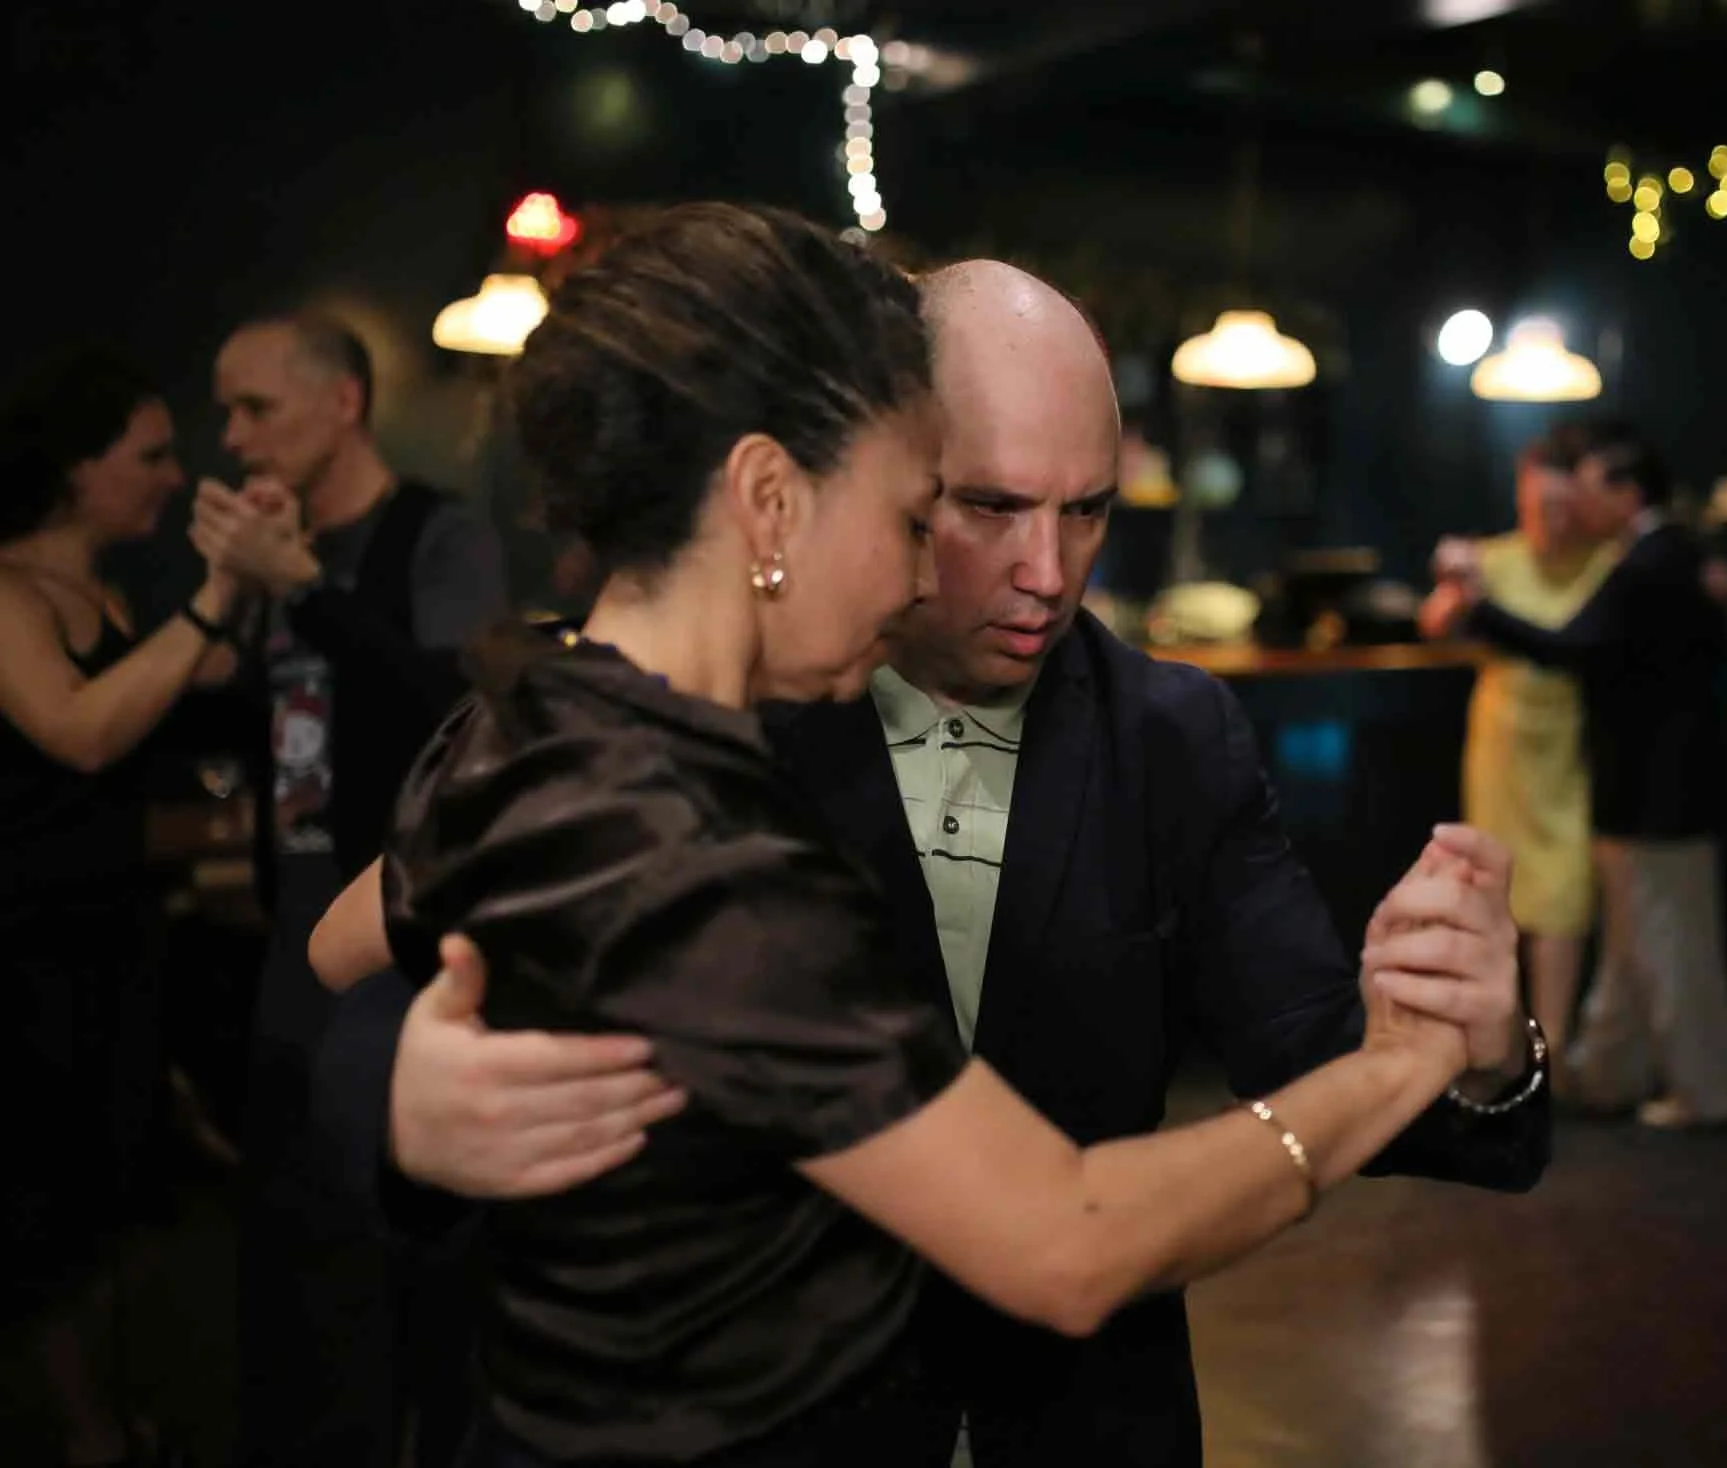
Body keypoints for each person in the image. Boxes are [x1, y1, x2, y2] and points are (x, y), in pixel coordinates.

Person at [312, 253, 1549, 1468]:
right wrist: (403, 1104)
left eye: (1089, 511)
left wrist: (1470, 1048)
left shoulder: (1170, 732)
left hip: (1071, 1422)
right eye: (971, 511)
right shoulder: (678, 734)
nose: (1048, 575)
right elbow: (346, 967)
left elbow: (1309, 1051)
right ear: (802, 492)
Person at [190, 312, 509, 1467]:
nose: (232, 438)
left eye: (255, 408)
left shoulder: (443, 535)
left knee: (408, 1274)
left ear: (344, 403)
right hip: (292, 934)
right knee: (294, 1256)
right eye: (225, 410)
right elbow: (250, 715)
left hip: (408, 945)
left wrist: (308, 584)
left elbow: (464, 716)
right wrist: (231, 591)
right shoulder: (281, 561)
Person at [0, 346, 238, 1467]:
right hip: (30, 961)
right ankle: (92, 1439)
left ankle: (120, 1418)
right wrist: (213, 600)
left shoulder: (104, 589)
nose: (171, 473)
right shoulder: (3, 592)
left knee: (115, 1199)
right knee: (50, 1215)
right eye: (148, 455)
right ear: (75, 467)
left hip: (117, 944)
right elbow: (81, 731)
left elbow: (184, 706)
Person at [1429, 418, 1727, 1130]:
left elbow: (1571, 648)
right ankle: (1605, 1075)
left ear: (1626, 492)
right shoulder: (1675, 557)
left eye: (1586, 492)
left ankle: (1708, 1092)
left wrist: (1482, 610)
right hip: (1649, 785)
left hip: (1653, 790)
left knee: (1668, 949)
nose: (1575, 507)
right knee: (1639, 944)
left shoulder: (1646, 565)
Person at [1420, 430, 1619, 1060]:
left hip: (1573, 743)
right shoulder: (1496, 558)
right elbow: (1434, 623)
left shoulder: (1605, 563)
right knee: (1499, 889)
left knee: (1561, 895)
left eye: (1562, 508)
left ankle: (1551, 1045)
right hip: (1503, 742)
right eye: (1539, 506)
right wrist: (1453, 579)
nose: (1550, 521)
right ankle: (1499, 1042)